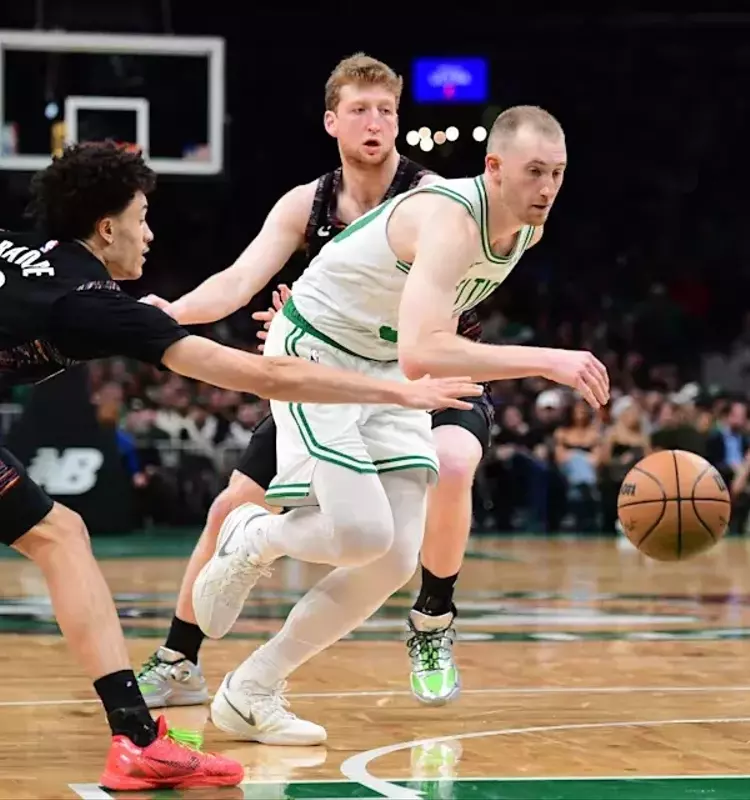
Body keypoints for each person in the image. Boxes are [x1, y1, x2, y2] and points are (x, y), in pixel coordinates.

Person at [0, 140, 478, 789]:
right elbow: (258, 372)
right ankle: (138, 740)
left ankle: (138, 737)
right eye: (142, 216)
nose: (150, 231)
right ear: (106, 226)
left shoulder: (20, 255)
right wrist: (396, 389)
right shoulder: (85, 304)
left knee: (60, 535)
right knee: (61, 538)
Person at [192, 104, 610, 745]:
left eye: (557, 173)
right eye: (533, 172)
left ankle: (250, 691)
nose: (547, 188)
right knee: (360, 534)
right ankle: (255, 537)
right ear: (493, 168)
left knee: (391, 561)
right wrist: (549, 359)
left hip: (385, 369)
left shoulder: (526, 230)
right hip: (315, 352)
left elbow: (412, 346)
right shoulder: (451, 217)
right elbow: (425, 349)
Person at [137, 53, 495, 711]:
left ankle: (432, 619)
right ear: (332, 121)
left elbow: (432, 317)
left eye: (386, 110)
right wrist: (174, 312)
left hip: (428, 372)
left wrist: (307, 310)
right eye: (360, 109)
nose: (375, 122)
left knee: (450, 462)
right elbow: (239, 282)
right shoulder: (307, 202)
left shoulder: (435, 199)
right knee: (229, 506)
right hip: (330, 373)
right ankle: (178, 660)